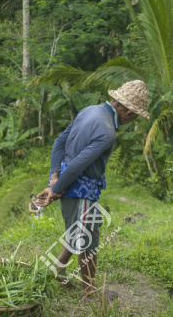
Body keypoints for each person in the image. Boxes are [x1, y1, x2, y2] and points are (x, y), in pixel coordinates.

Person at [35, 80, 149, 301]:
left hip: (70, 182)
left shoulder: (89, 111)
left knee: (79, 229)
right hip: (80, 188)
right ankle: (89, 290)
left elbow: (60, 142)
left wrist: (54, 178)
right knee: (88, 239)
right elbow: (78, 165)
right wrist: (55, 189)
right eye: (134, 116)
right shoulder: (107, 131)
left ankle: (58, 268)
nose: (131, 121)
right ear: (126, 111)